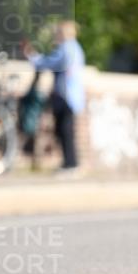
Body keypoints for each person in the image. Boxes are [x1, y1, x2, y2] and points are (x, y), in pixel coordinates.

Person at [24, 21, 86, 174]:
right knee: (66, 131)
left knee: (65, 131)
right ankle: (71, 163)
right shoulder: (76, 48)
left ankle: (70, 165)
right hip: (72, 96)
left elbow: (49, 63)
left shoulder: (66, 48)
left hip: (65, 96)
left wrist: (33, 56)